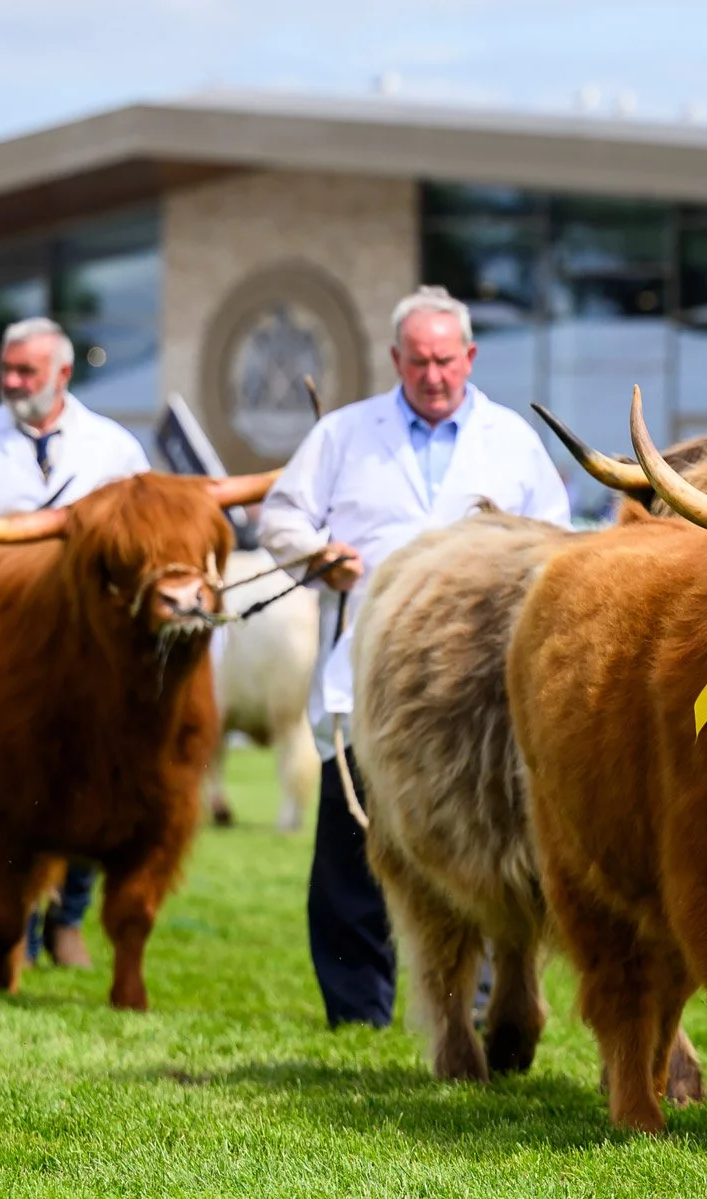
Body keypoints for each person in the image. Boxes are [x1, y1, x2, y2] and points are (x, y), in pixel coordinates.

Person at [259, 285, 572, 1029]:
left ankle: (493, 1004)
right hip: (367, 683)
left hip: (486, 693)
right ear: (395, 359)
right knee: (353, 856)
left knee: (490, 844)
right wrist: (316, 553)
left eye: (445, 359)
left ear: (469, 357)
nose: (432, 374)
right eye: (417, 361)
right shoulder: (342, 435)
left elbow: (560, 547)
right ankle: (358, 1011)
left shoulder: (511, 441)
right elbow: (279, 515)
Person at [0, 317, 150, 970]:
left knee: (86, 778)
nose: (13, 382)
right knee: (11, 777)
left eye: (27, 372)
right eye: (8, 370)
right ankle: (13, 915)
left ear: (63, 375)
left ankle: (68, 917)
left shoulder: (114, 447)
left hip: (90, 650)